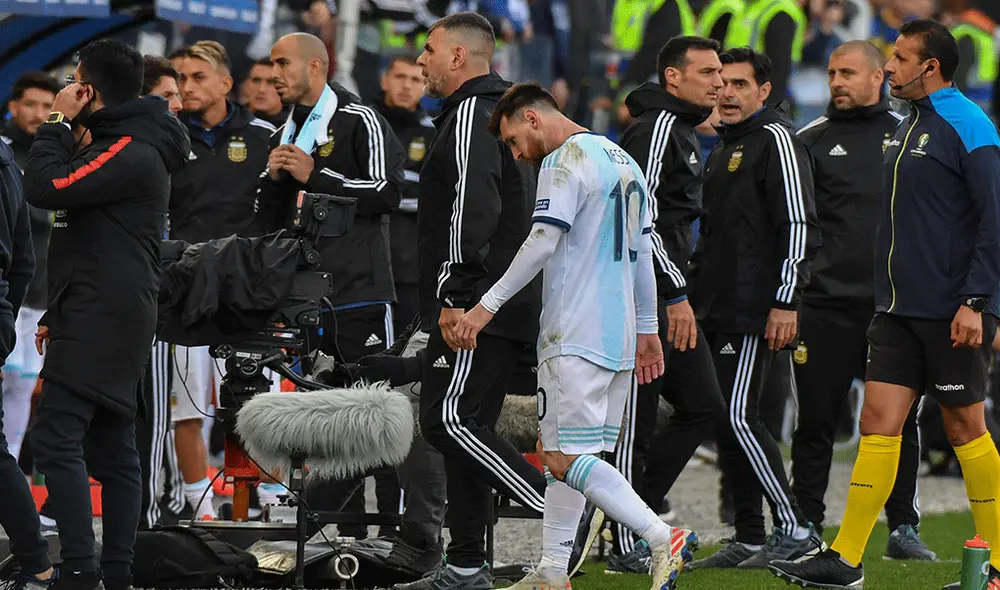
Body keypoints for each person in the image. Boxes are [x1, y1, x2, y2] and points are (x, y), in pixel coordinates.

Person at [770, 19, 1000, 590]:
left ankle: (998, 563)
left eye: (899, 59)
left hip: (951, 310)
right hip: (895, 310)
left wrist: (976, 301)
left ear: (930, 67)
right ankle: (846, 559)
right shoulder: (908, 124)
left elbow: (994, 221)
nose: (890, 67)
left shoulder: (970, 125)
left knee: (965, 427)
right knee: (877, 421)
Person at [452, 81, 696, 590]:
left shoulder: (564, 160)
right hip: (617, 336)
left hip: (573, 333)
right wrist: (647, 329)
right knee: (567, 456)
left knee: (562, 457)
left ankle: (661, 536)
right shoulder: (624, 161)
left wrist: (483, 308)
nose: (516, 154)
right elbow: (643, 255)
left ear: (532, 118)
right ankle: (552, 571)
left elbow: (543, 240)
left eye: (513, 140)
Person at [22, 39, 189, 590]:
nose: (68, 89)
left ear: (88, 89)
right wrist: (58, 309)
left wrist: (54, 121)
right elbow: (88, 239)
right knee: (114, 450)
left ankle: (79, 568)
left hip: (105, 312)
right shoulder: (121, 142)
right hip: (100, 308)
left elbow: (45, 187)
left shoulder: (130, 148)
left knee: (55, 439)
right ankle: (115, 574)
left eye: (74, 81)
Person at [390, 14, 547, 590]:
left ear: (458, 57)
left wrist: (455, 294)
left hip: (479, 301)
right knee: (467, 426)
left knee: (446, 420)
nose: (420, 61)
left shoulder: (470, 115)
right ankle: (464, 564)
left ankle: (559, 505)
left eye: (429, 50)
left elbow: (471, 208)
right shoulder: (501, 111)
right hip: (502, 295)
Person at [790, 40, 936, 562]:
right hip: (825, 304)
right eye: (832, 73)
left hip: (891, 309)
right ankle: (805, 523)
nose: (836, 82)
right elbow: (796, 223)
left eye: (848, 73)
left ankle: (903, 527)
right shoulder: (809, 140)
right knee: (815, 420)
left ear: (879, 77)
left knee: (897, 423)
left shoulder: (910, 136)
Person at [685, 47, 821, 570]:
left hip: (756, 307)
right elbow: (712, 235)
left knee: (741, 416)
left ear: (764, 90)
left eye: (740, 84)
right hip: (717, 307)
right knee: (726, 421)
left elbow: (798, 225)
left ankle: (796, 528)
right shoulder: (724, 147)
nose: (727, 93)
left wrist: (786, 300)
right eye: (722, 82)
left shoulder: (776, 140)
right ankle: (748, 533)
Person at [606, 35, 727, 572]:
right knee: (636, 420)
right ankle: (624, 541)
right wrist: (673, 291)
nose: (718, 83)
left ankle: (636, 515)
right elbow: (639, 217)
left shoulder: (679, 128)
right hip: (647, 297)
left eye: (720, 73)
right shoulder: (656, 128)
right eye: (707, 73)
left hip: (671, 292)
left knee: (702, 405)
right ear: (673, 77)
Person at [169, 40, 277, 522]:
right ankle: (199, 504)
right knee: (186, 402)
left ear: (226, 83)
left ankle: (269, 500)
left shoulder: (265, 135)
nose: (187, 86)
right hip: (183, 288)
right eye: (181, 77)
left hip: (246, 290)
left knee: (260, 403)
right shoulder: (169, 135)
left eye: (197, 76)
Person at [0, 98, 50, 590]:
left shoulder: (14, 163)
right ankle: (36, 561)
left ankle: (37, 562)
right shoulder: (9, 161)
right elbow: (23, 260)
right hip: (12, 303)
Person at [1, 72, 59, 468]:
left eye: (46, 106)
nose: (38, 114)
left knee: (23, 385)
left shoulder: (59, 154)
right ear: (13, 107)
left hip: (40, 292)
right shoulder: (4, 155)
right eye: (30, 104)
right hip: (7, 288)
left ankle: (10, 467)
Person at [375, 55, 435, 338]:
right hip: (361, 262)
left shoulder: (434, 132)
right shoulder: (364, 123)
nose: (406, 86)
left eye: (415, 80)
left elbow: (435, 194)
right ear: (385, 80)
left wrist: (381, 190)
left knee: (402, 342)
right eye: (400, 77)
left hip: (409, 265)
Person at [245, 57, 287, 127]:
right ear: (246, 85)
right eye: (256, 80)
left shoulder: (298, 128)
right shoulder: (229, 122)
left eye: (271, 82)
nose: (261, 89)